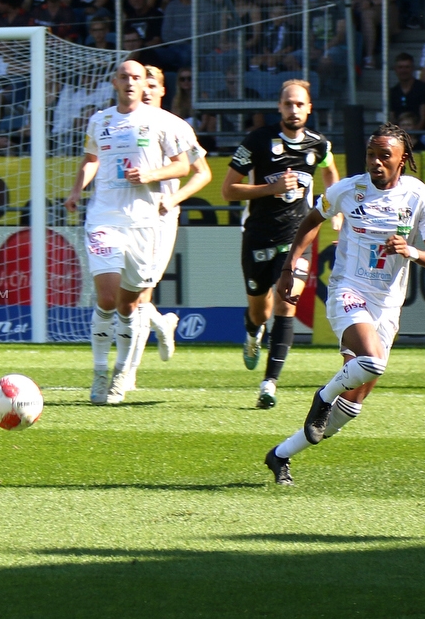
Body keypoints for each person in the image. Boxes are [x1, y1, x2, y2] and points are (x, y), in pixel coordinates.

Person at [265, 123, 425, 485]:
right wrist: (288, 266)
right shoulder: (347, 189)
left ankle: (280, 455)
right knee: (371, 362)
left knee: (353, 403)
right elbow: (312, 220)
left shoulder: (419, 197)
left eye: (384, 156)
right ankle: (321, 398)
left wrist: (412, 251)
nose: (376, 162)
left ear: (403, 160)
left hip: (387, 304)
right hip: (348, 290)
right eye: (371, 154)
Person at [64, 60, 190, 405]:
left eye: (137, 77)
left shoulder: (161, 122)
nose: (132, 82)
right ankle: (100, 373)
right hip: (104, 217)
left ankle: (123, 372)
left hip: (146, 223)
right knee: (106, 296)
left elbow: (183, 165)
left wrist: (150, 176)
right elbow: (91, 159)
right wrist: (77, 190)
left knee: (130, 304)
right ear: (114, 82)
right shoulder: (100, 120)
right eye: (125, 77)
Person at [221, 79, 339, 409]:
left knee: (287, 302)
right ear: (279, 107)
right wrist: (268, 190)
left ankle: (269, 384)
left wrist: (332, 207)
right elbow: (228, 190)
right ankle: (252, 331)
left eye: (299, 104)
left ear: (309, 108)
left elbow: (331, 173)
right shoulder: (258, 140)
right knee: (260, 310)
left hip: (295, 237)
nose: (293, 109)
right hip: (258, 235)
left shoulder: (318, 144)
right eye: (288, 104)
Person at [123, 65, 212, 390]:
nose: (145, 89)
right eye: (141, 83)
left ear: (162, 90)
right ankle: (162, 323)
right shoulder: (122, 125)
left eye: (153, 84)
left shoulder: (175, 126)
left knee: (139, 294)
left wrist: (175, 200)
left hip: (159, 219)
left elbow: (202, 172)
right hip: (124, 217)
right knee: (128, 295)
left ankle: (128, 373)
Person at [389, 52, 425, 130]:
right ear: (395, 69)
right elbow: (392, 118)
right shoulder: (393, 92)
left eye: (407, 67)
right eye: (400, 67)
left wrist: (413, 136)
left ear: (413, 68)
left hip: (422, 134)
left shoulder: (423, 89)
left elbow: (424, 118)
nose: (403, 70)